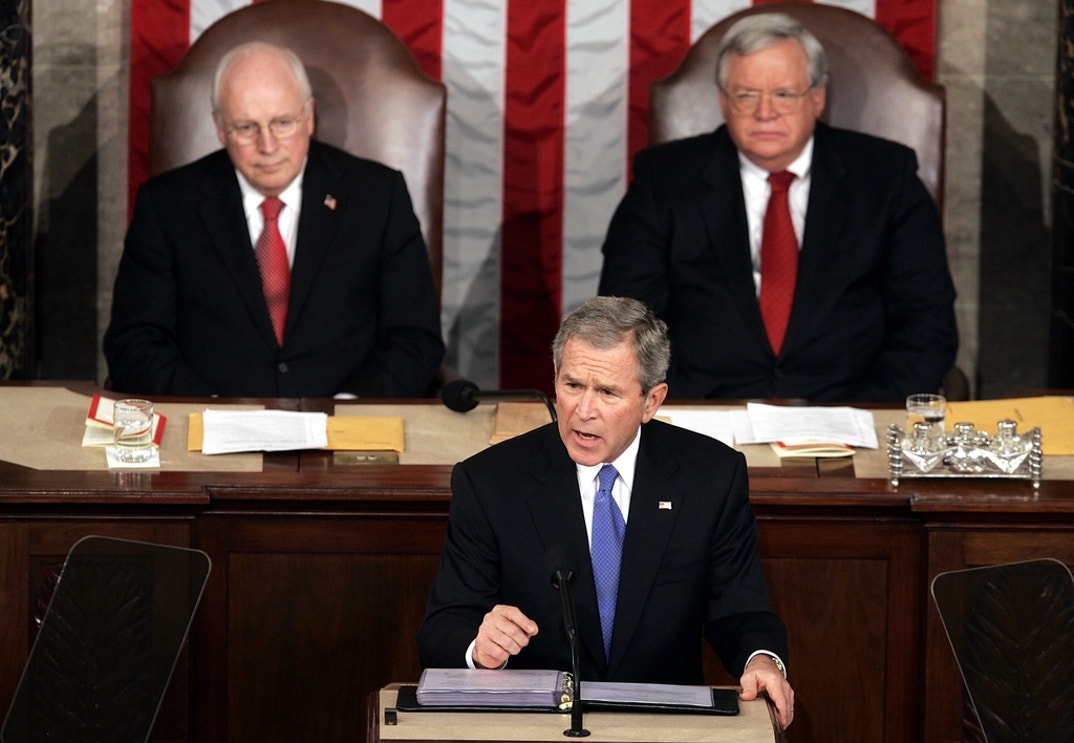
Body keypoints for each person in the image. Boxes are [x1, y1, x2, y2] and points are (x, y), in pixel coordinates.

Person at [417, 296, 795, 728]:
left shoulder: (709, 478)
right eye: (572, 385)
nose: (584, 410)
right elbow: (443, 629)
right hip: (534, 727)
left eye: (607, 392)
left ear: (651, 401)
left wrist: (763, 661)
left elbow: (741, 611)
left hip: (664, 727)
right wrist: (478, 646)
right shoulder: (491, 482)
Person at [598, 12, 958, 403]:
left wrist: (870, 410)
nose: (765, 112)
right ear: (723, 101)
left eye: (784, 94)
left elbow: (927, 323)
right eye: (747, 94)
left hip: (851, 411)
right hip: (702, 412)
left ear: (817, 97)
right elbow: (626, 322)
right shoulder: (664, 181)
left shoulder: (887, 178)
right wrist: (681, 411)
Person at [104, 42, 444, 398]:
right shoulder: (167, 206)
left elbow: (415, 338)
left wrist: (349, 412)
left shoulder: (377, 197)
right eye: (246, 127)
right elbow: (135, 343)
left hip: (348, 433)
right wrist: (212, 411)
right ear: (220, 127)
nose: (268, 146)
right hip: (210, 434)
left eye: (283, 123)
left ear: (309, 117)